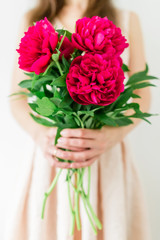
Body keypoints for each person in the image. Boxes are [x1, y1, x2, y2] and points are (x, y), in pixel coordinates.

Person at [7, 0, 151, 239]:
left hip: (106, 153)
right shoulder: (33, 20)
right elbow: (17, 98)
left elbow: (142, 96)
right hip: (52, 155)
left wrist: (111, 135)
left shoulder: (126, 19)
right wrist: (40, 135)